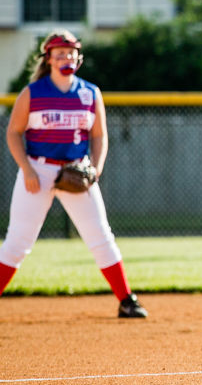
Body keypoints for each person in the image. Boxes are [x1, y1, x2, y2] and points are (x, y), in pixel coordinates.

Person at [0, 29, 147, 318]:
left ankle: (127, 300)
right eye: (59, 53)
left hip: (77, 171)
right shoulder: (33, 92)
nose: (66, 57)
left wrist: (96, 166)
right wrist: (27, 168)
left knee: (101, 237)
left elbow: (99, 135)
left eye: (70, 53)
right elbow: (14, 133)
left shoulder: (90, 92)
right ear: (49, 59)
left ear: (78, 57)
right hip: (38, 170)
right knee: (17, 242)